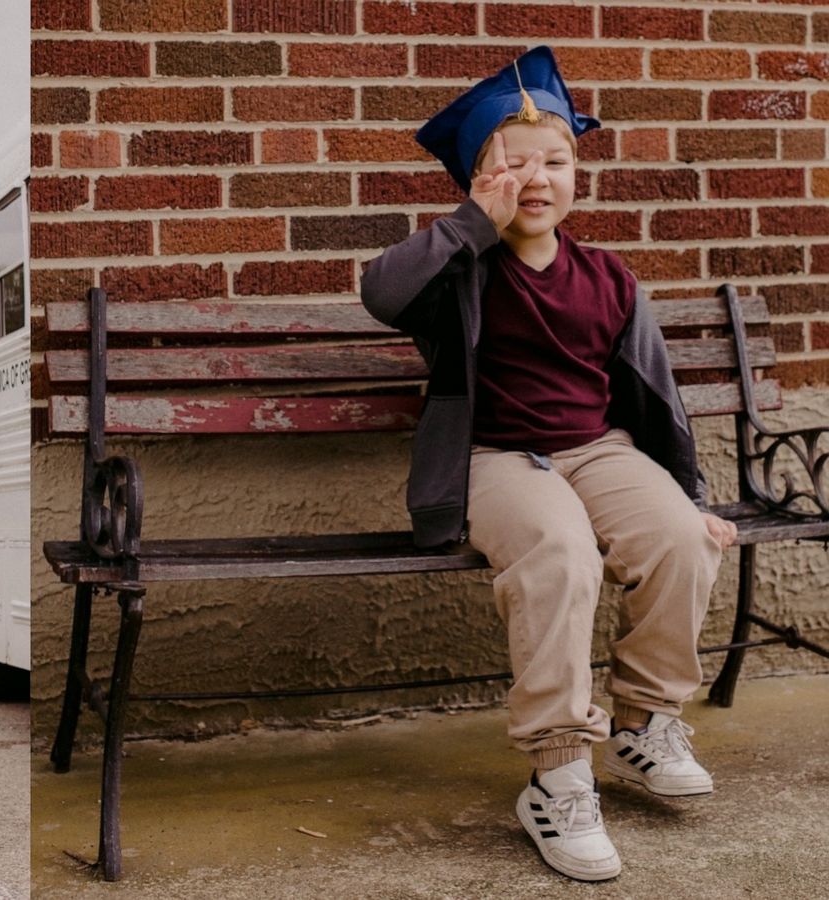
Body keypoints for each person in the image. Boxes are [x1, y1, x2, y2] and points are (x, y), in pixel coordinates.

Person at [359, 46, 738, 882]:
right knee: (561, 553)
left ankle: (644, 722)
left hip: (598, 450)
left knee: (683, 537)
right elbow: (379, 293)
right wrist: (467, 225)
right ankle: (557, 777)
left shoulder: (609, 277)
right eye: (511, 164)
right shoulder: (457, 270)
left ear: (577, 177)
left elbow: (655, 401)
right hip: (494, 459)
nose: (538, 177)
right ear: (477, 180)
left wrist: (693, 497)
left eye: (556, 162)